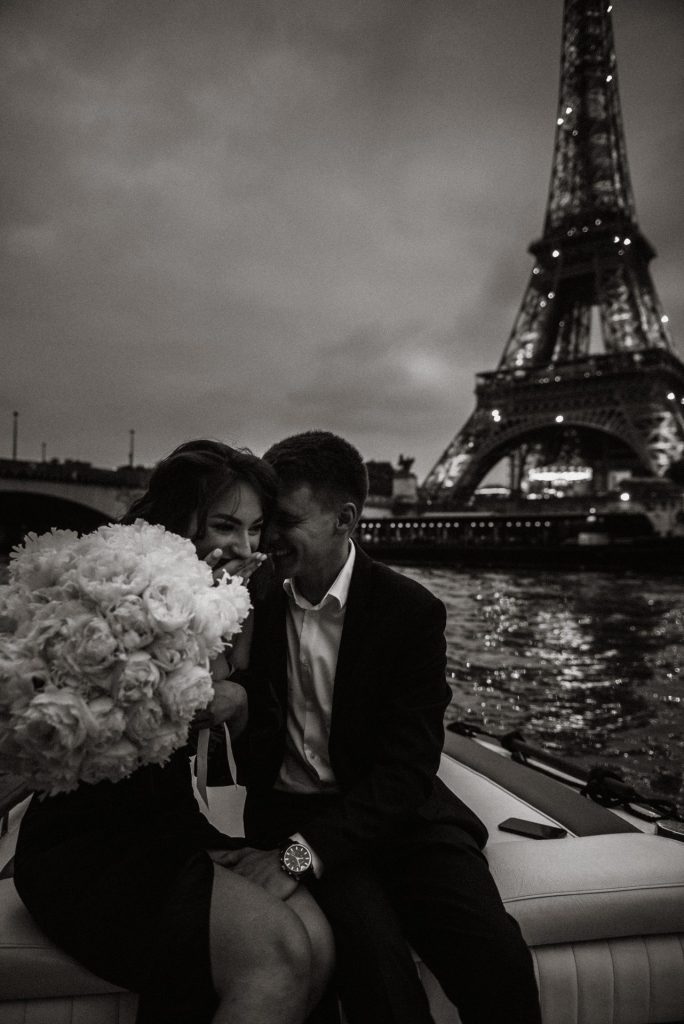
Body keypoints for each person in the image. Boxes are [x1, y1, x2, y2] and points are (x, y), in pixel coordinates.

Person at [217, 430, 542, 1024]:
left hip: (402, 819)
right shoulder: (241, 603)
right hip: (298, 814)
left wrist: (296, 858)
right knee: (378, 973)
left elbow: (406, 771)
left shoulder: (411, 611)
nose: (266, 539)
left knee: (498, 961)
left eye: (284, 521)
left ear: (345, 519)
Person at [13, 439, 334, 1024]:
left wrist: (234, 687)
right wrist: (202, 690)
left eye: (256, 528)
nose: (244, 547)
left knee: (317, 936)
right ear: (177, 520)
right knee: (281, 953)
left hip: (169, 824)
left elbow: (252, 736)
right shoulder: (117, 591)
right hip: (86, 841)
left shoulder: (234, 602)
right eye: (224, 525)